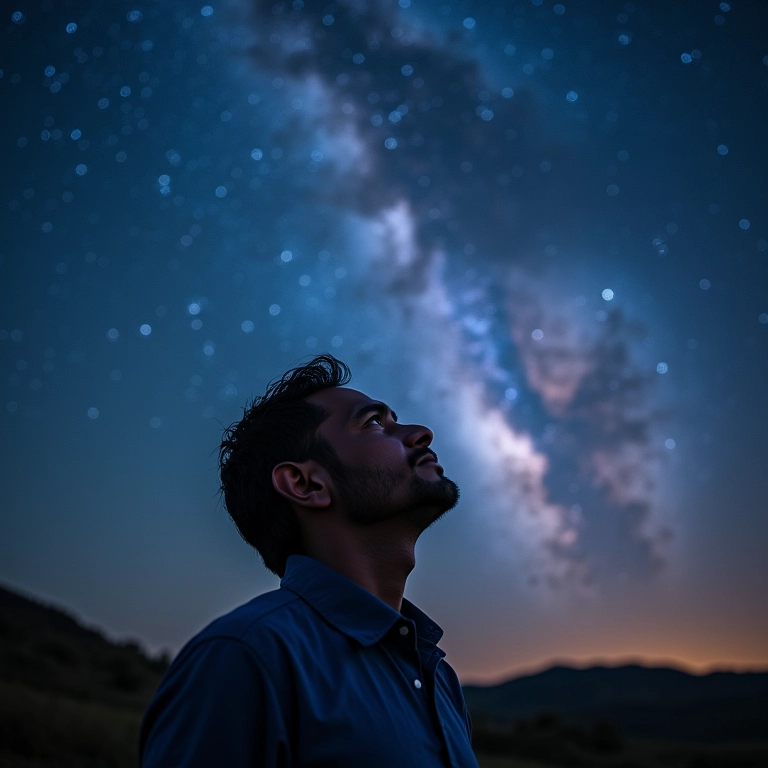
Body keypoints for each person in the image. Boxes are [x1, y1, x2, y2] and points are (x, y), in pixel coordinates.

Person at [139, 354, 479, 767]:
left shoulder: (439, 678)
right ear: (305, 484)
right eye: (374, 423)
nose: (421, 433)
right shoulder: (245, 657)